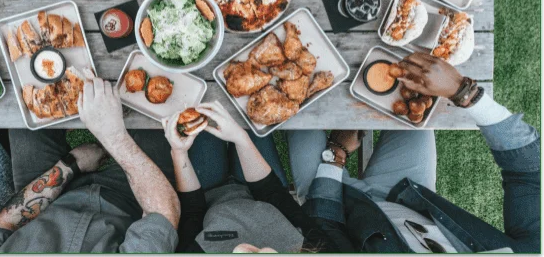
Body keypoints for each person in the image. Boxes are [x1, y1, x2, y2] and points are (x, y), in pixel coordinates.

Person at [288, 52, 540, 253]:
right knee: (408, 91)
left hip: (336, 207)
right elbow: (529, 172)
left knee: (294, 108)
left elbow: (324, 228)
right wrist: (463, 92)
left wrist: (337, 153)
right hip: (407, 194)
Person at [0, 70, 180, 253]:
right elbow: (164, 214)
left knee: (25, 102)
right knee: (161, 109)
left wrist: (70, 164)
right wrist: (113, 136)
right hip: (130, 200)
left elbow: (5, 226)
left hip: (47, 198)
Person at [162, 102, 343, 253]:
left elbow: (192, 211)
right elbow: (272, 193)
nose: (247, 250)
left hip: (207, 192)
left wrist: (179, 152)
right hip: (261, 191)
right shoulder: (317, 250)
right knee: (249, 108)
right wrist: (240, 138)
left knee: (197, 108)